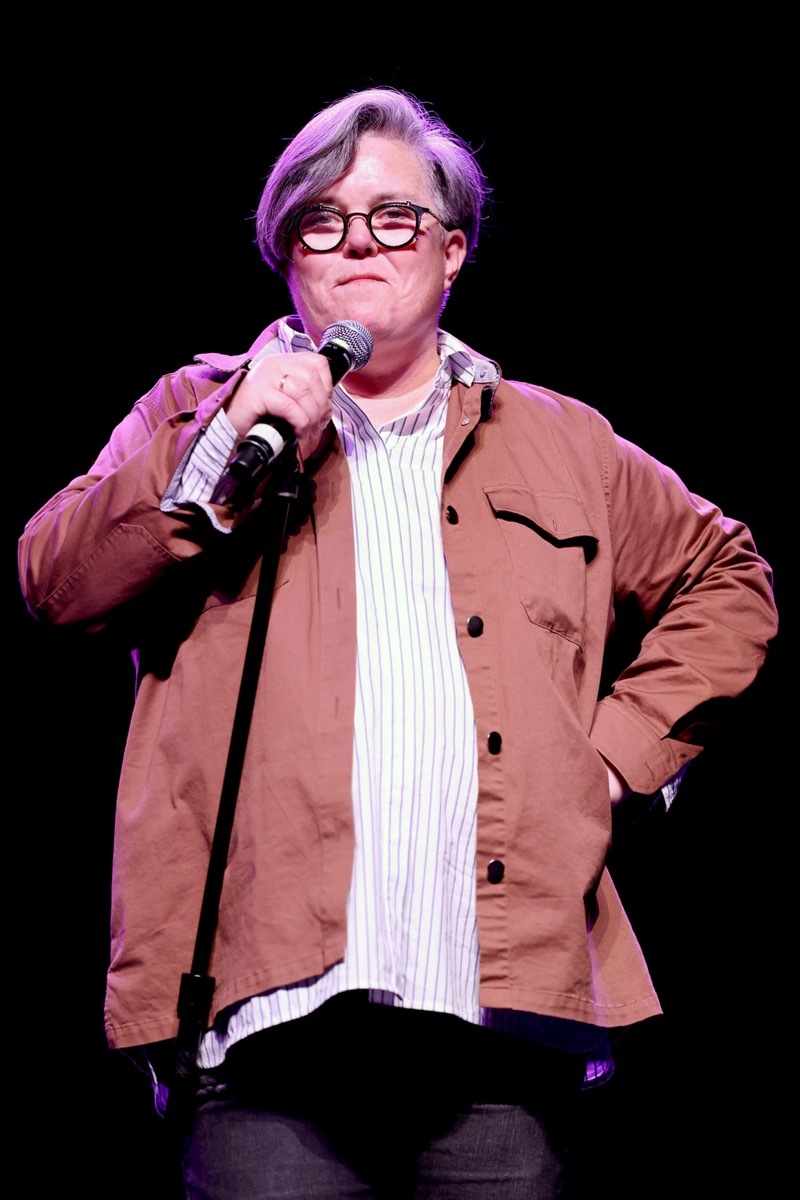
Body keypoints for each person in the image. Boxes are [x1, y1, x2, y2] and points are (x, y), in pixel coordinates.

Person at [18, 86, 778, 1198]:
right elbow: (59, 581)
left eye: (393, 217)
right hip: (263, 1018)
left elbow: (728, 577)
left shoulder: (563, 442)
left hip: (497, 1022)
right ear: (287, 256)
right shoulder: (195, 409)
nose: (359, 243)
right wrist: (228, 433)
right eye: (321, 221)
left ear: (452, 249)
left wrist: (615, 756)